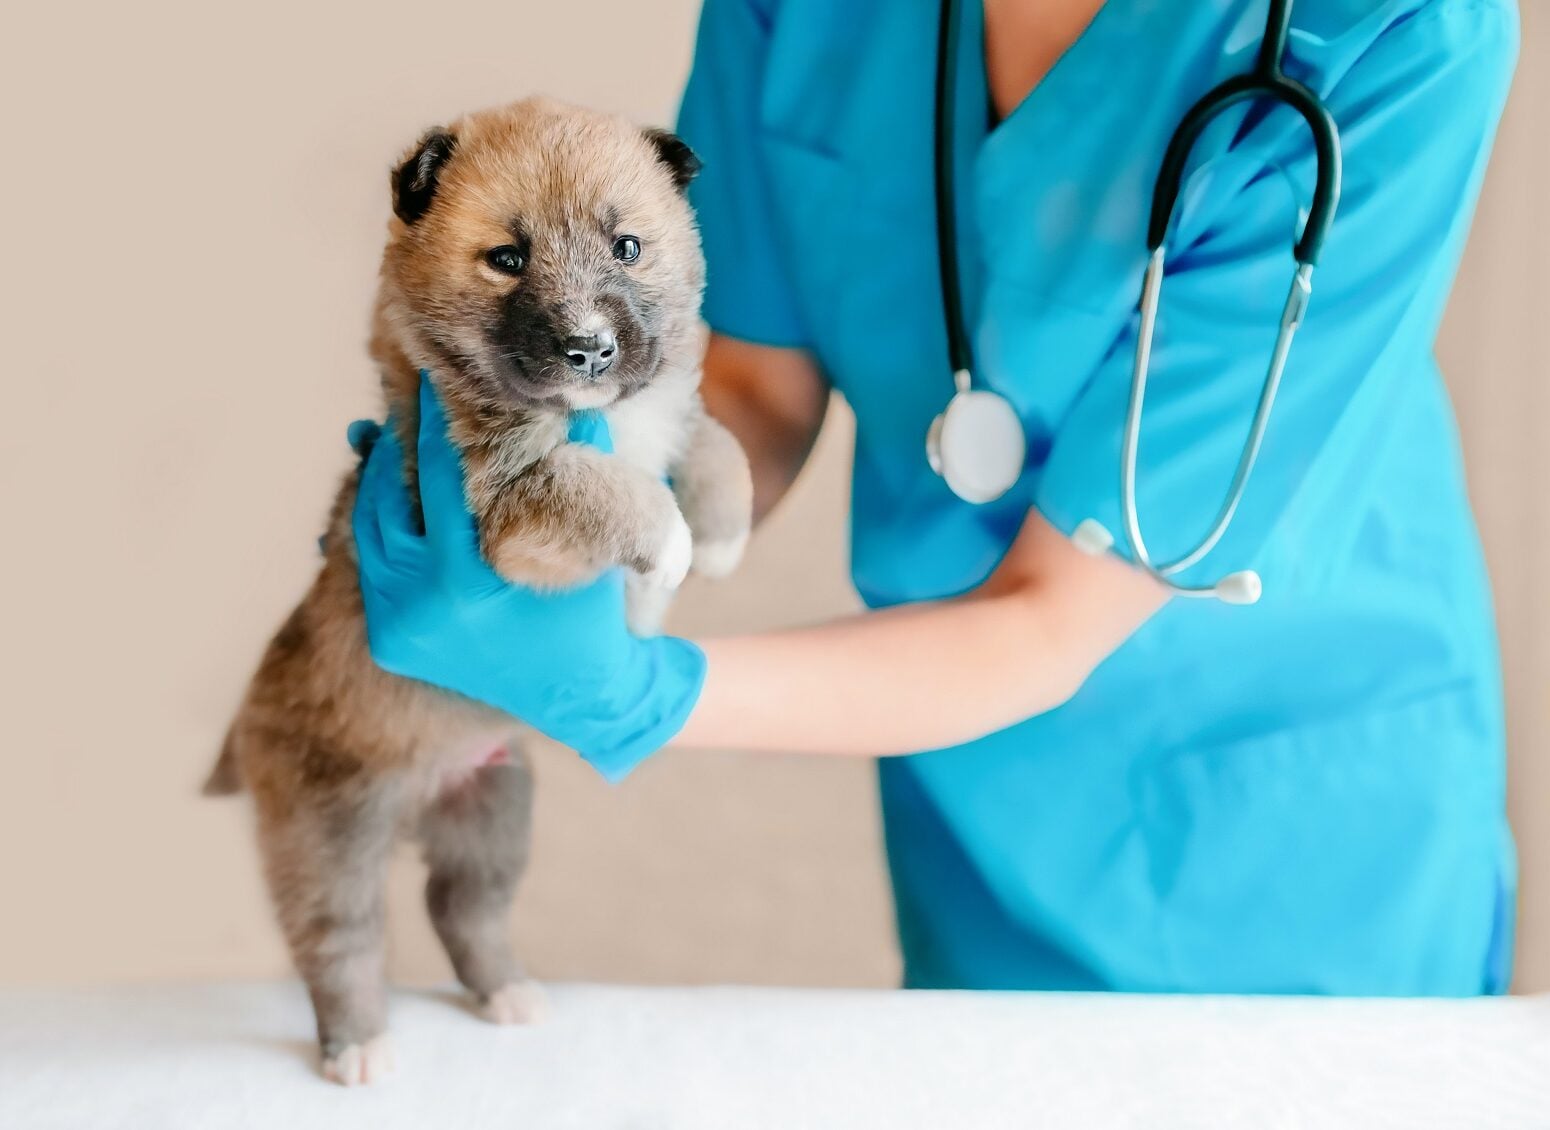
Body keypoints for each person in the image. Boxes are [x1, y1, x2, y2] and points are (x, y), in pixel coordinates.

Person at [351, 0, 1521, 995]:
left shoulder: (1399, 33)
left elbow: (1049, 618)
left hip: (1304, 839)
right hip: (966, 802)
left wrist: (636, 694)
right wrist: (573, 522)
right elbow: (758, 382)